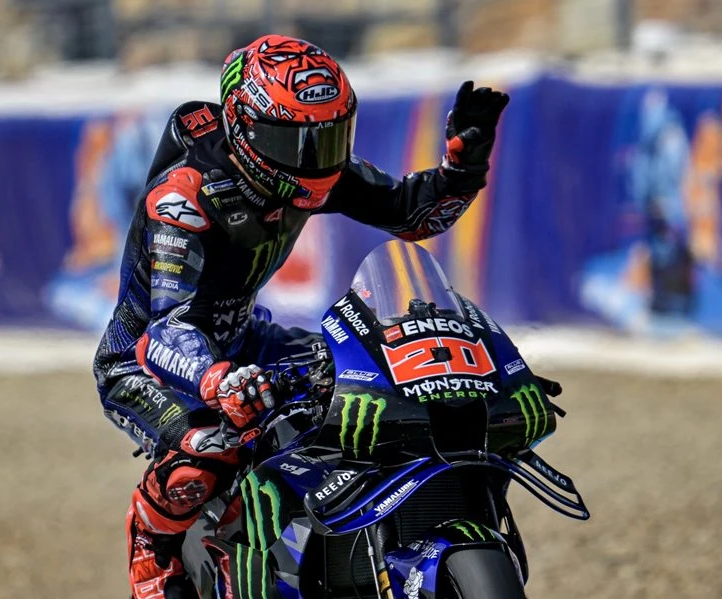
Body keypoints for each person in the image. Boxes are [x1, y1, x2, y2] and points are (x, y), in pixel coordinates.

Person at [93, 34, 509, 599]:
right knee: (210, 447)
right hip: (147, 360)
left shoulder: (310, 169)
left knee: (386, 375)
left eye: (329, 136)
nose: (315, 157)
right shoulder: (185, 199)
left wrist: (462, 167)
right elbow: (166, 331)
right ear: (245, 129)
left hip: (248, 339)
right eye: (295, 141)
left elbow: (412, 216)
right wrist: (217, 380)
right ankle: (153, 550)